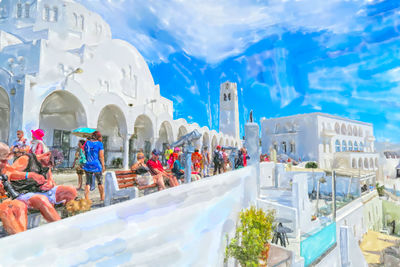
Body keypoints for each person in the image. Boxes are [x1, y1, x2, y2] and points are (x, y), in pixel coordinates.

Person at [0, 143, 77, 234]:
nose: (49, 165)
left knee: (71, 191)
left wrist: (50, 184)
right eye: (50, 162)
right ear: (47, 154)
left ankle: (67, 220)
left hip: (41, 191)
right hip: (25, 192)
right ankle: (60, 230)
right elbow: (10, 174)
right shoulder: (27, 159)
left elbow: (51, 181)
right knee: (37, 201)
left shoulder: (47, 166)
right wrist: (30, 175)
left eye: (52, 165)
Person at [83, 131, 105, 201]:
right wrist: (103, 166)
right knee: (100, 182)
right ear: (98, 137)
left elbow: (84, 152)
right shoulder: (100, 144)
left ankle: (86, 198)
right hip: (96, 165)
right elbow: (101, 156)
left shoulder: (87, 143)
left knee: (88, 182)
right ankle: (102, 197)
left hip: (87, 165)